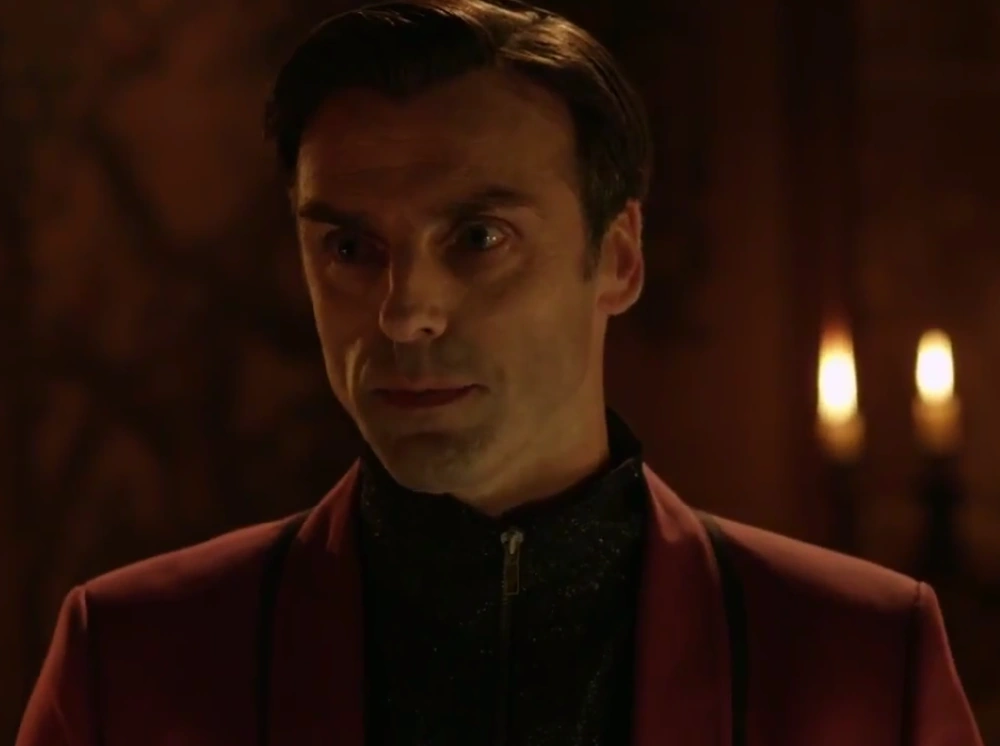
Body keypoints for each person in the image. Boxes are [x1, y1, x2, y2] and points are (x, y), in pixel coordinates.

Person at [17, 1, 984, 744]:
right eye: (350, 247)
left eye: (478, 238)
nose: (404, 311)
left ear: (618, 258)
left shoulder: (858, 660)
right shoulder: (136, 661)